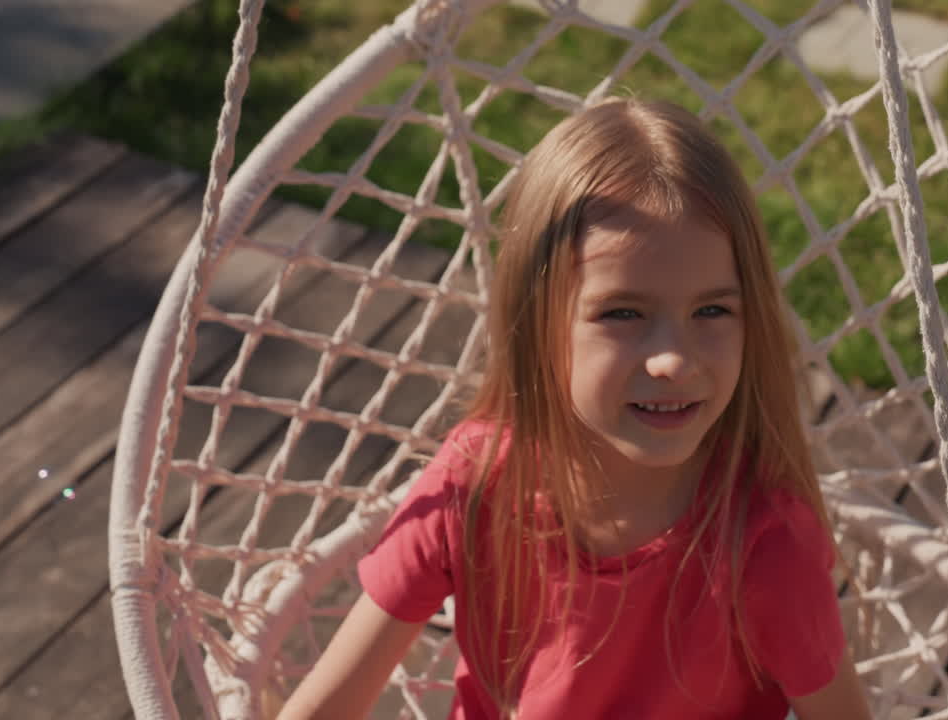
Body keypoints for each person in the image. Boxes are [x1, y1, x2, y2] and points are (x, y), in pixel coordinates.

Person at [277, 98, 871, 719]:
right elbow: (325, 706)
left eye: (713, 311)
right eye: (623, 313)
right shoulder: (475, 484)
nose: (674, 359)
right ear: (539, 324)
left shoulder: (764, 546)